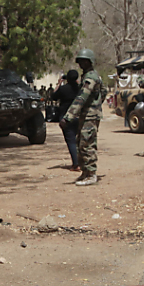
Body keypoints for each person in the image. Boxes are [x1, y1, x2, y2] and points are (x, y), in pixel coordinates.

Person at [60, 50, 105, 186]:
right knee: (81, 143)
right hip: (87, 115)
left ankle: (91, 174)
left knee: (87, 144)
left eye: (82, 61)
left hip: (90, 116)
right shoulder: (90, 75)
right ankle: (85, 172)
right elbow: (103, 92)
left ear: (88, 61)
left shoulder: (90, 77)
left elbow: (82, 97)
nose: (79, 64)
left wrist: (68, 117)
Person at [52, 70, 81, 170]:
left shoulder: (63, 89)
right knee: (80, 140)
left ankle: (76, 164)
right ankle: (82, 162)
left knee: (71, 140)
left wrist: (59, 83)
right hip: (79, 116)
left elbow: (53, 97)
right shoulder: (80, 89)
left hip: (66, 117)